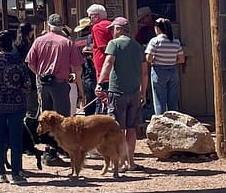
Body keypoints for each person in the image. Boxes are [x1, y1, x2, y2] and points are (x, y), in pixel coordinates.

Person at [0, 29, 33, 184]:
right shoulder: (18, 61)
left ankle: (1, 173)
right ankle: (16, 173)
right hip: (16, 104)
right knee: (16, 139)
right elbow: (27, 84)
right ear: (12, 43)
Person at [97, 15, 147, 170]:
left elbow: (108, 63)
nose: (112, 32)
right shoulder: (137, 46)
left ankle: (118, 162)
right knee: (131, 129)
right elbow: (144, 72)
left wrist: (100, 82)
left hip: (117, 91)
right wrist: (143, 92)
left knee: (116, 128)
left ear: (119, 30)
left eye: (113, 29)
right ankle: (130, 161)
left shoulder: (114, 44)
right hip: (134, 92)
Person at [25, 13, 84, 117]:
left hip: (43, 84)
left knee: (46, 119)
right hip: (60, 84)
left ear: (48, 25)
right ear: (61, 26)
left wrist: (40, 74)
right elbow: (77, 68)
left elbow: (30, 64)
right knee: (62, 120)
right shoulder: (68, 43)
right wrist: (78, 84)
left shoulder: (38, 41)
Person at [145, 17, 185, 115]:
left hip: (158, 71)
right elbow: (181, 59)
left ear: (158, 28)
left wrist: (156, 59)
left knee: (159, 100)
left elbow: (148, 58)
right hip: (172, 70)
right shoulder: (175, 41)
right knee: (173, 100)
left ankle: (161, 120)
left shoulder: (155, 41)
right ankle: (175, 121)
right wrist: (171, 60)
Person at [73, 17, 97, 112]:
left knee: (87, 101)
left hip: (81, 74)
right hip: (92, 71)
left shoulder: (76, 41)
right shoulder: (91, 38)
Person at [86, 3, 114, 80]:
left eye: (89, 17)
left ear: (96, 16)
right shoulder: (111, 24)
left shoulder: (97, 27)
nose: (89, 20)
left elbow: (104, 47)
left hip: (103, 64)